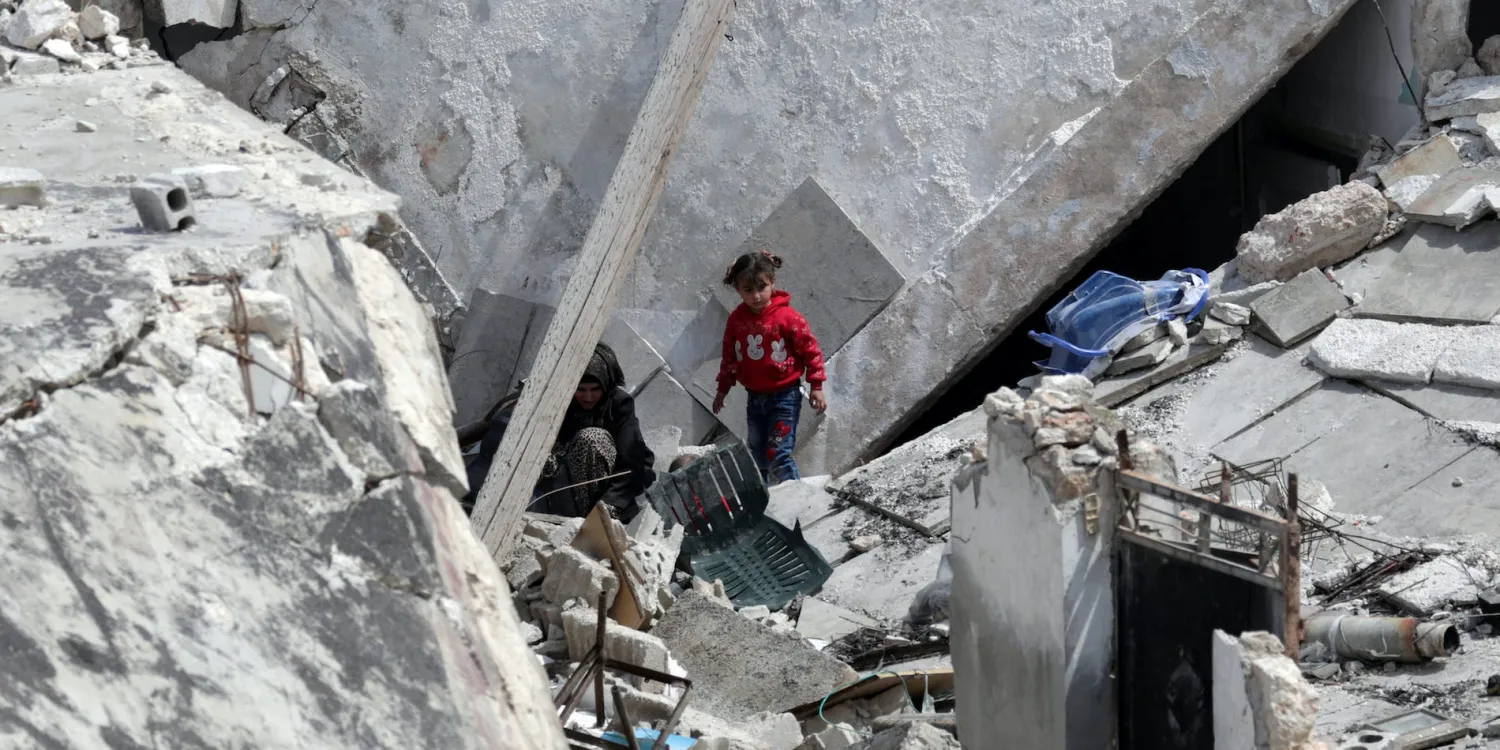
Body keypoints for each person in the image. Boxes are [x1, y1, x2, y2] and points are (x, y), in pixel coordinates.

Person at [464, 342, 655, 522]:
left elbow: (631, 462)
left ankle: (588, 517)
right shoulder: (554, 398)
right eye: (581, 390)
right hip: (556, 485)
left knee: (591, 438)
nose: (588, 397)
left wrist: (610, 507)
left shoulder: (619, 405)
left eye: (595, 389)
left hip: (599, 495)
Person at [712, 250, 827, 485]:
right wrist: (722, 389)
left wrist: (816, 385)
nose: (755, 296)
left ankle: (798, 505)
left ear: (772, 282)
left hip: (785, 397)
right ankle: (765, 506)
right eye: (748, 290)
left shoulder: (787, 318)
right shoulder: (737, 321)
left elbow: (810, 350)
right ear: (737, 290)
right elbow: (729, 356)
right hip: (755, 399)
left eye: (761, 288)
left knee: (778, 455)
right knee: (758, 457)